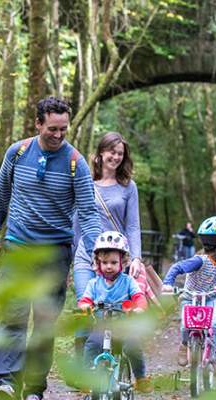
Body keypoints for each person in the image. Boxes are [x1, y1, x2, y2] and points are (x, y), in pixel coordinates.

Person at [0, 97, 101, 400]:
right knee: (13, 314)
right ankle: (6, 382)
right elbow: (0, 195)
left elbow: (88, 213)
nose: (59, 135)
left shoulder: (76, 163)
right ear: (38, 124)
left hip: (55, 252)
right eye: (52, 128)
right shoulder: (18, 152)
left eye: (64, 129)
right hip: (19, 247)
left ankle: (34, 388)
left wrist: (96, 251)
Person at [72, 132, 143, 367]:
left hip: (115, 259)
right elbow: (76, 224)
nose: (116, 157)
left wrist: (136, 258)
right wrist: (71, 258)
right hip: (86, 256)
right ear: (100, 153)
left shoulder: (128, 187)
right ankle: (83, 366)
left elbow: (132, 226)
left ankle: (113, 361)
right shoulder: (85, 184)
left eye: (120, 153)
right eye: (112, 151)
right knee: (87, 308)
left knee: (115, 310)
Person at [161, 216, 216, 372]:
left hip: (211, 298)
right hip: (190, 297)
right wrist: (167, 284)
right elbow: (177, 268)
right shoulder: (199, 260)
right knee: (185, 325)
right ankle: (184, 344)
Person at [77, 231, 151, 392]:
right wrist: (85, 307)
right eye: (104, 262)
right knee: (91, 344)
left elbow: (139, 296)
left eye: (113, 262)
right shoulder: (94, 283)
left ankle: (140, 377)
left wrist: (139, 308)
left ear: (122, 262)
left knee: (132, 346)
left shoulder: (128, 281)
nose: (109, 266)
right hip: (102, 327)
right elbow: (85, 300)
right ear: (98, 263)